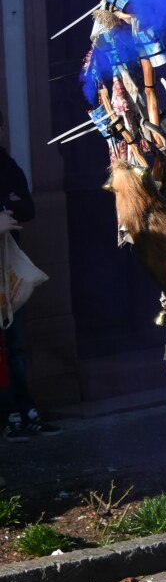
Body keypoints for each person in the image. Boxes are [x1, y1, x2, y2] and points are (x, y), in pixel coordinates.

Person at [0, 109, 61, 441]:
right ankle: (9, 414)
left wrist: (9, 208)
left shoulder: (6, 165)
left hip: (9, 269)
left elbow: (27, 208)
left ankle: (25, 409)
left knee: (17, 344)